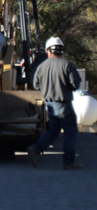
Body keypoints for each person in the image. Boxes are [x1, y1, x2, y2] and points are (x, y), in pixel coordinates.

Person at [26, 37, 82, 169]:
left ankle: (36, 148)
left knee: (54, 130)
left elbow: (36, 85)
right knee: (70, 132)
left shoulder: (41, 67)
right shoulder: (67, 65)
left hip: (49, 105)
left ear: (48, 51)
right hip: (63, 105)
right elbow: (75, 85)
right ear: (61, 50)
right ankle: (68, 162)